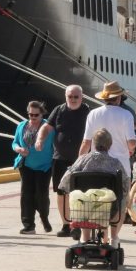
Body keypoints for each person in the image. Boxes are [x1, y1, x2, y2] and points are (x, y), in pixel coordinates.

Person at [80, 81, 136, 245]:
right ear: (119, 97)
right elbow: (131, 143)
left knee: (94, 201)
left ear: (105, 97)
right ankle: (114, 237)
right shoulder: (126, 115)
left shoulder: (93, 114)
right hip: (120, 168)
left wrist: (79, 161)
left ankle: (89, 237)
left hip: (95, 167)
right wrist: (131, 148)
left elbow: (85, 143)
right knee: (119, 203)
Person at [58, 128, 125, 243]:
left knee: (83, 204)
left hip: (84, 204)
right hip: (107, 205)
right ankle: (113, 237)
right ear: (110, 145)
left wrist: (65, 190)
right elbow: (124, 183)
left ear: (94, 143)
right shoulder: (115, 163)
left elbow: (66, 179)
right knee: (118, 201)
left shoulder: (82, 159)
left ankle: (85, 238)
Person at [39, 85, 89, 236]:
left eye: (76, 97)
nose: (73, 99)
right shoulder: (59, 110)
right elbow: (47, 127)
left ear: (82, 97)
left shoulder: (87, 111)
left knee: (80, 193)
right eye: (70, 96)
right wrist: (40, 139)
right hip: (60, 158)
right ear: (65, 96)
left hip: (81, 160)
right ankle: (66, 225)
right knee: (61, 193)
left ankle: (78, 224)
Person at [13, 101, 54, 234]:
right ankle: (28, 225)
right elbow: (14, 142)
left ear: (42, 114)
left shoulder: (49, 126)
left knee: (41, 196)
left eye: (36, 115)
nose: (33, 117)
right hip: (26, 165)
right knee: (26, 195)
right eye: (30, 114)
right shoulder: (21, 125)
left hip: (44, 166)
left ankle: (44, 217)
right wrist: (18, 149)